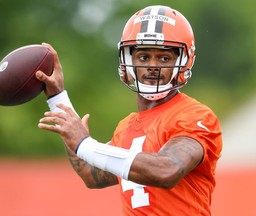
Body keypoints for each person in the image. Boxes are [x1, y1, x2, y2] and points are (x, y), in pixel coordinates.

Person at [36, 5, 222, 216]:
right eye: (143, 57)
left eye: (164, 58)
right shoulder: (125, 127)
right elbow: (90, 173)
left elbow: (167, 170)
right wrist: (57, 97)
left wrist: (85, 144)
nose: (153, 66)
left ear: (183, 61)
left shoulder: (194, 115)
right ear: (128, 60)